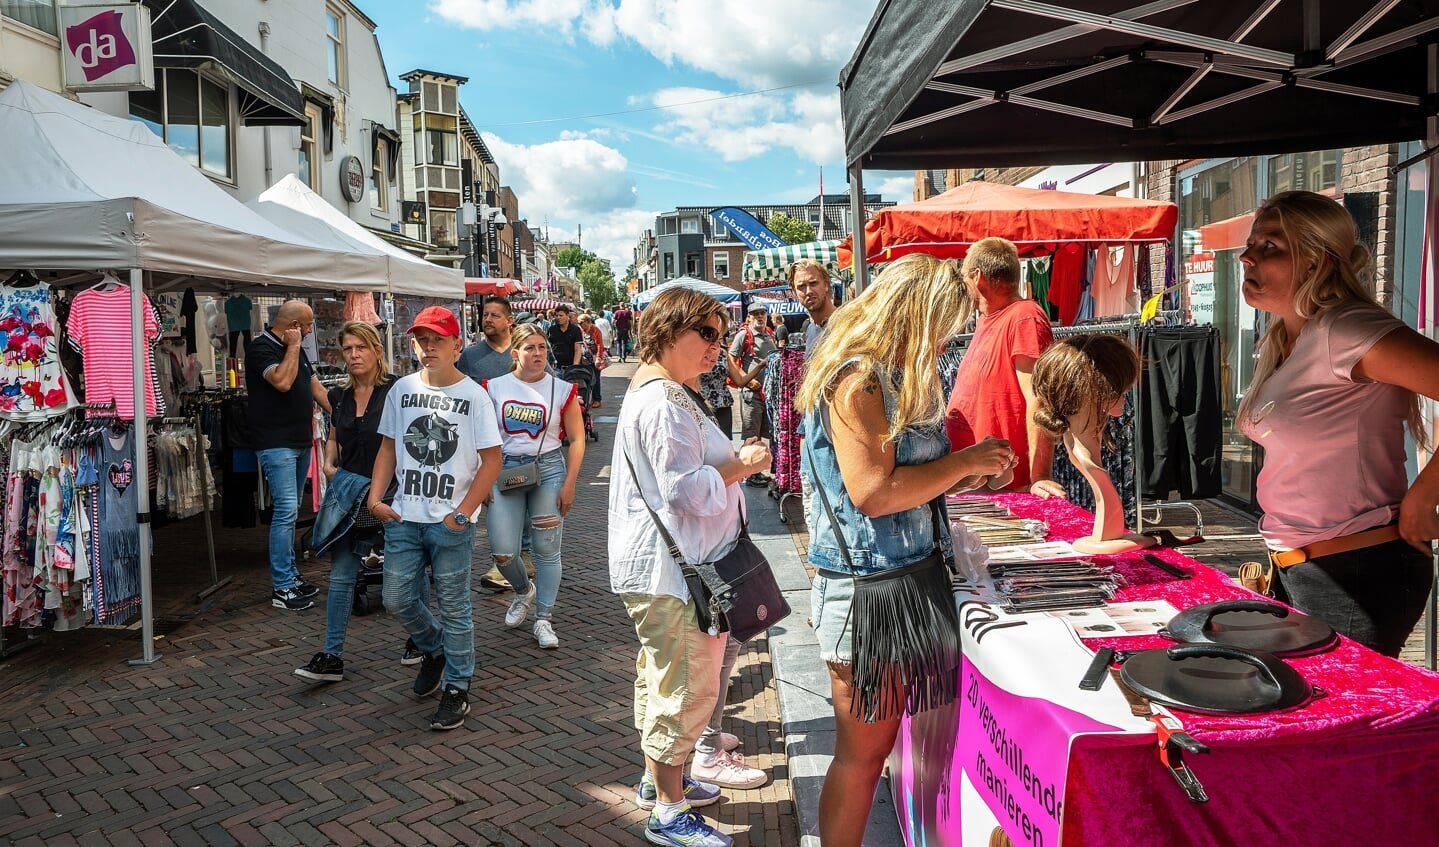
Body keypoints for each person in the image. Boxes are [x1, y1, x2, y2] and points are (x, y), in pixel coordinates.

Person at [794, 253, 1014, 847]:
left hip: (902, 578)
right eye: (944, 322)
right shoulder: (859, 379)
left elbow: (900, 483)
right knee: (863, 757)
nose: (948, 336)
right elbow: (871, 492)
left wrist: (964, 474)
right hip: (867, 590)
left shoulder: (888, 377)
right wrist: (964, 461)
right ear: (916, 315)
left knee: (874, 752)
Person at [1237, 190, 1439, 657]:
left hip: (1358, 571)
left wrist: (1424, 497)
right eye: (1251, 243)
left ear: (1316, 262)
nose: (1247, 256)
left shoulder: (1346, 329)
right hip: (1299, 568)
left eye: (1271, 247)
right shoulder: (1287, 339)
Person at [609, 287, 772, 847]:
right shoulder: (661, 402)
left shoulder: (667, 394)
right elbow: (684, 493)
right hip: (675, 573)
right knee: (685, 689)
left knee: (665, 681)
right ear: (668, 330)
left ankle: (660, 784)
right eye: (706, 333)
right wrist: (742, 465)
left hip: (674, 570)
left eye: (720, 336)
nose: (715, 347)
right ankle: (670, 812)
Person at [369, 306, 502, 730]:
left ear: (456, 345)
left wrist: (463, 514)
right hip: (405, 516)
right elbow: (389, 448)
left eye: (437, 340)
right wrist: (376, 500)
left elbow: (492, 460)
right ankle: (435, 649)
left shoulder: (474, 396)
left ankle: (458, 686)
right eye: (422, 340)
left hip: (450, 521)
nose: (428, 347)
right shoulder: (401, 390)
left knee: (455, 606)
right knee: (396, 598)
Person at [295, 322, 400, 682]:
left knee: (405, 576)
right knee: (341, 575)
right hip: (350, 493)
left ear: (377, 351)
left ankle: (422, 641)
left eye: (361, 348)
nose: (354, 355)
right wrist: (327, 462)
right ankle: (332, 655)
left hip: (391, 495)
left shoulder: (396, 391)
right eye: (348, 349)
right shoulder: (339, 397)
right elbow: (336, 436)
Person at [484, 323, 586, 650]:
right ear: (515, 353)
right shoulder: (493, 388)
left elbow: (578, 438)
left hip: (549, 470)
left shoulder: (561, 389)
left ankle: (544, 618)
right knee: (503, 551)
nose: (538, 353)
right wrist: (480, 479)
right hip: (504, 471)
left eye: (542, 347)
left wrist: (570, 482)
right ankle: (523, 590)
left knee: (546, 550)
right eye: (530, 348)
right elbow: (482, 438)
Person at [945, 236, 1065, 498]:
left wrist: (1039, 476)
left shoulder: (1024, 316)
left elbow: (1039, 399)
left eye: (964, 277)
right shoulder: (989, 319)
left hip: (1004, 486)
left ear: (977, 276)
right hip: (973, 481)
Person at [1032, 335, 1154, 554]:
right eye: (1122, 390)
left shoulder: (1078, 447)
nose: (1126, 398)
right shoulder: (1086, 458)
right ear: (1100, 391)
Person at [247, 299, 332, 611]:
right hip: (275, 441)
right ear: (294, 326)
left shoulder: (298, 351)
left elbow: (315, 388)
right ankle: (282, 586)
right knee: (285, 511)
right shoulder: (262, 348)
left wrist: (345, 416)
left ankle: (291, 576)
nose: (310, 332)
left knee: (291, 510)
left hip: (299, 440)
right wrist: (293, 347)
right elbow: (282, 382)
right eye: (307, 326)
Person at [458, 295, 529, 593]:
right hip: (483, 443)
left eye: (495, 315)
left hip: (520, 441)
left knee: (518, 501)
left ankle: (515, 561)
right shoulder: (470, 357)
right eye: (485, 315)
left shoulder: (522, 351)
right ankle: (510, 562)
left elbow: (544, 381)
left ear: (509, 320)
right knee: (496, 502)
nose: (487, 320)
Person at [728, 302, 776, 486]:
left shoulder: (769, 333)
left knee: (763, 432)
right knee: (751, 433)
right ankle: (746, 473)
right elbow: (732, 360)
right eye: (755, 314)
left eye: (762, 313)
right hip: (751, 394)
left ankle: (755, 471)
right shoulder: (744, 335)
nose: (759, 316)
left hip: (767, 393)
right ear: (749, 317)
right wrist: (746, 379)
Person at [788, 259, 836, 348]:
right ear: (794, 292)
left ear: (826, 285)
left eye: (813, 283)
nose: (808, 291)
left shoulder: (847, 323)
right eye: (801, 286)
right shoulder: (811, 330)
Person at [578, 313, 608, 407]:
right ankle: (591, 398)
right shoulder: (581, 330)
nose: (580, 324)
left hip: (594, 358)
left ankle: (597, 399)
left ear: (587, 322)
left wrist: (598, 357)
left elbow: (599, 344)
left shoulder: (595, 330)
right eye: (579, 323)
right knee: (588, 379)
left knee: (596, 379)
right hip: (585, 359)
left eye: (581, 322)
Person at [547, 304, 585, 372]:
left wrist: (574, 367)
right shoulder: (552, 330)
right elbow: (548, 348)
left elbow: (578, 350)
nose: (558, 317)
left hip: (571, 367)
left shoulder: (575, 330)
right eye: (557, 315)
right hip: (556, 368)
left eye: (561, 315)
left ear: (567, 316)